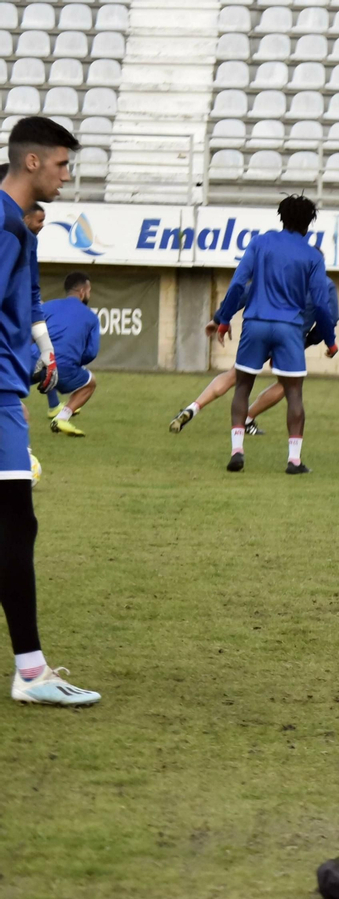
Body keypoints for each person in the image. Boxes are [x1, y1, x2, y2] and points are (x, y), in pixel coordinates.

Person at [0, 116, 98, 705]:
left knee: (14, 524)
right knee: (15, 524)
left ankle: (32, 670)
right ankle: (32, 674)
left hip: (6, 393)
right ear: (32, 162)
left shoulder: (17, 227)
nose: (67, 176)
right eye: (62, 164)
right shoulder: (8, 226)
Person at [206, 194, 338, 474]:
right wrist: (330, 340)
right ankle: (294, 460)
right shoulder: (313, 256)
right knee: (294, 394)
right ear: (309, 224)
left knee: (242, 386)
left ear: (281, 218)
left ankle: (237, 450)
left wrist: (224, 319)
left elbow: (239, 284)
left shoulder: (260, 243)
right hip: (290, 327)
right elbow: (322, 304)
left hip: (255, 323)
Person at [171, 268, 339, 435]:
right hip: (289, 337)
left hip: (259, 330)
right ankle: (247, 418)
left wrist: (219, 319)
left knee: (234, 375)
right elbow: (330, 317)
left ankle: (193, 408)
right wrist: (310, 341)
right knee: (288, 384)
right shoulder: (325, 284)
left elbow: (243, 293)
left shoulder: (278, 272)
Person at [32, 272, 98, 437]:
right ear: (83, 292)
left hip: (33, 359)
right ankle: (62, 418)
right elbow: (91, 352)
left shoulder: (47, 307)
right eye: (89, 291)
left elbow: (29, 334)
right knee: (90, 383)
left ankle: (52, 407)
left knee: (7, 390)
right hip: (64, 367)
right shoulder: (91, 318)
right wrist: (75, 361)